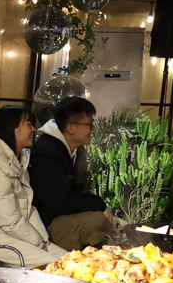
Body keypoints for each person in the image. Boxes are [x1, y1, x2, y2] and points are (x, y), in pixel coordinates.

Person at [0, 105, 67, 269]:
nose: (33, 129)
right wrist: (37, 242)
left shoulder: (15, 161)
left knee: (70, 260)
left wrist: (42, 240)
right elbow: (7, 219)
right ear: (12, 128)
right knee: (52, 266)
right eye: (28, 124)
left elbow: (27, 209)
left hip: (9, 232)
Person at [29, 97, 113, 251]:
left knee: (115, 223)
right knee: (97, 220)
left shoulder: (75, 149)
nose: (93, 129)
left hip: (63, 214)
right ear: (71, 127)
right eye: (89, 124)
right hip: (46, 222)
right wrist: (99, 204)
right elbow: (59, 200)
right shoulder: (46, 152)